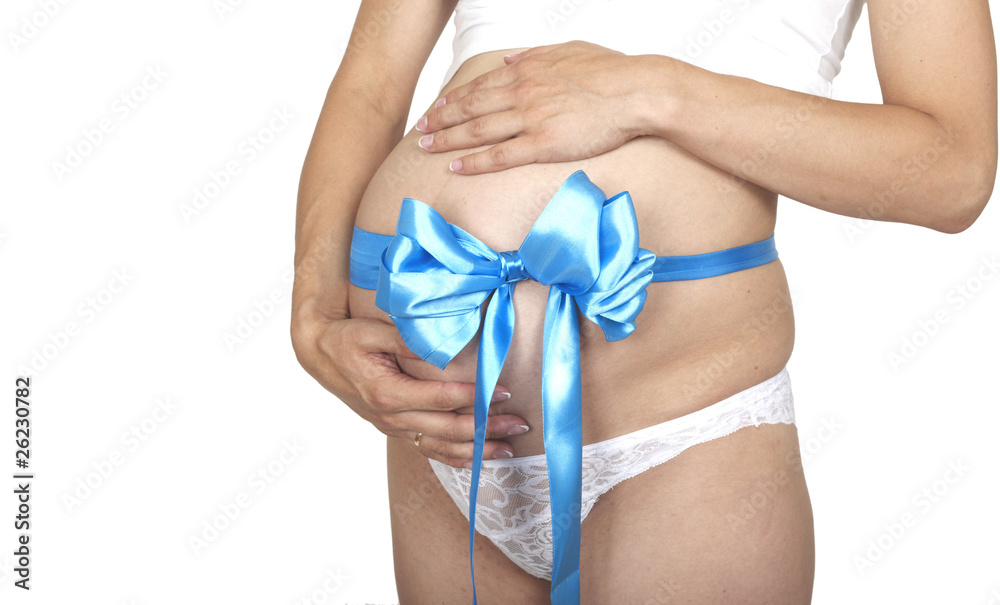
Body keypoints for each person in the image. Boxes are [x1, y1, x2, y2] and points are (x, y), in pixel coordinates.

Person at [291, 0, 997, 602]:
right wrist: (314, 315)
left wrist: (649, 91)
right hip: (442, 422)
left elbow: (953, 168)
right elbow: (372, 83)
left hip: (681, 434)